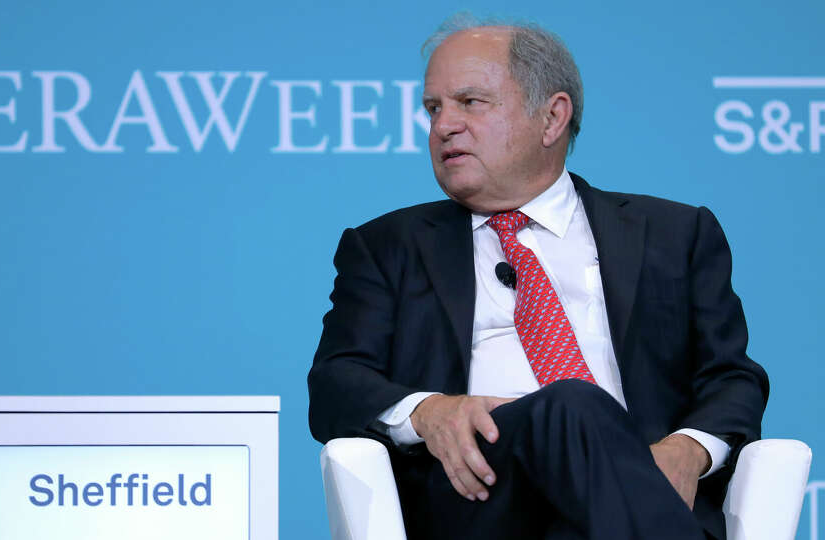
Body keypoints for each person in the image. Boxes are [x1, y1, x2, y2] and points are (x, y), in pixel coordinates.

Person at [308, 13, 767, 540]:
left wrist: (688, 451)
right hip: (479, 499)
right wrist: (429, 411)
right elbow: (334, 384)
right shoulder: (387, 246)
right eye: (433, 108)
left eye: (470, 102)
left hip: (640, 484)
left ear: (552, 117)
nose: (443, 126)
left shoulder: (674, 233)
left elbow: (732, 377)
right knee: (570, 403)